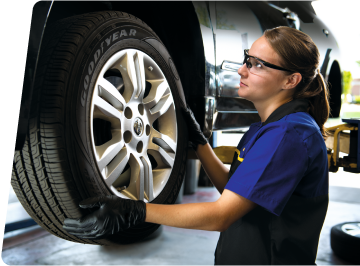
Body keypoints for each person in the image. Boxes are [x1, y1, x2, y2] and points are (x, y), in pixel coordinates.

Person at [63, 26, 329, 265]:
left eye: (258, 65)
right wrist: (201, 143)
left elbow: (221, 215)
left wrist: (134, 211)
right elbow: (236, 193)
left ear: (290, 80)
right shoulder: (267, 128)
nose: (241, 69)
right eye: (248, 58)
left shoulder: (288, 135)